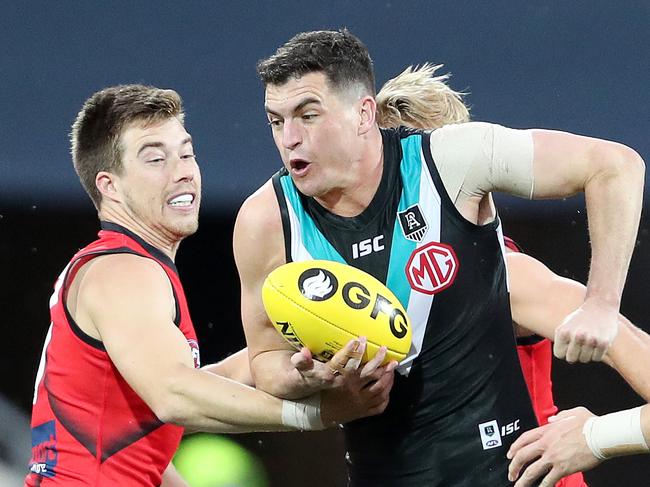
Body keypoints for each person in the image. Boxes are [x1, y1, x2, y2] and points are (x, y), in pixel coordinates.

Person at [232, 29, 645, 485]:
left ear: (365, 118)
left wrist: (597, 431)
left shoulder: (499, 256)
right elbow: (261, 363)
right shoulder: (266, 221)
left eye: (308, 116)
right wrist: (313, 383)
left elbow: (614, 164)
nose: (289, 138)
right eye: (275, 121)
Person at [25, 84, 395, 487]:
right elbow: (174, 394)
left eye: (186, 153)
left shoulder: (121, 267)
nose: (182, 170)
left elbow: (134, 437)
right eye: (155, 159)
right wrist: (318, 413)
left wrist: (289, 350)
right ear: (110, 186)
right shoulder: (124, 271)